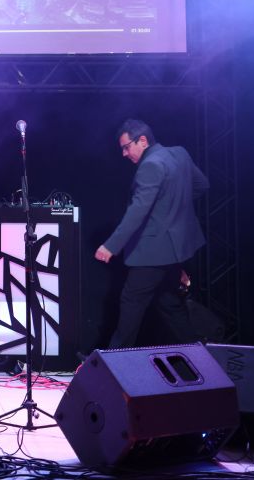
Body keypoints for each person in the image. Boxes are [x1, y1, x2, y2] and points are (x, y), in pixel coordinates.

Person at [95, 119, 209, 348]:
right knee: (168, 303)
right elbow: (202, 185)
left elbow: (138, 210)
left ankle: (114, 360)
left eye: (127, 147)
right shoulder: (179, 154)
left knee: (132, 301)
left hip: (154, 251)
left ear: (143, 141)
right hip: (177, 249)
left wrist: (110, 246)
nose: (124, 154)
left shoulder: (150, 165)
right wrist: (174, 207)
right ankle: (200, 355)